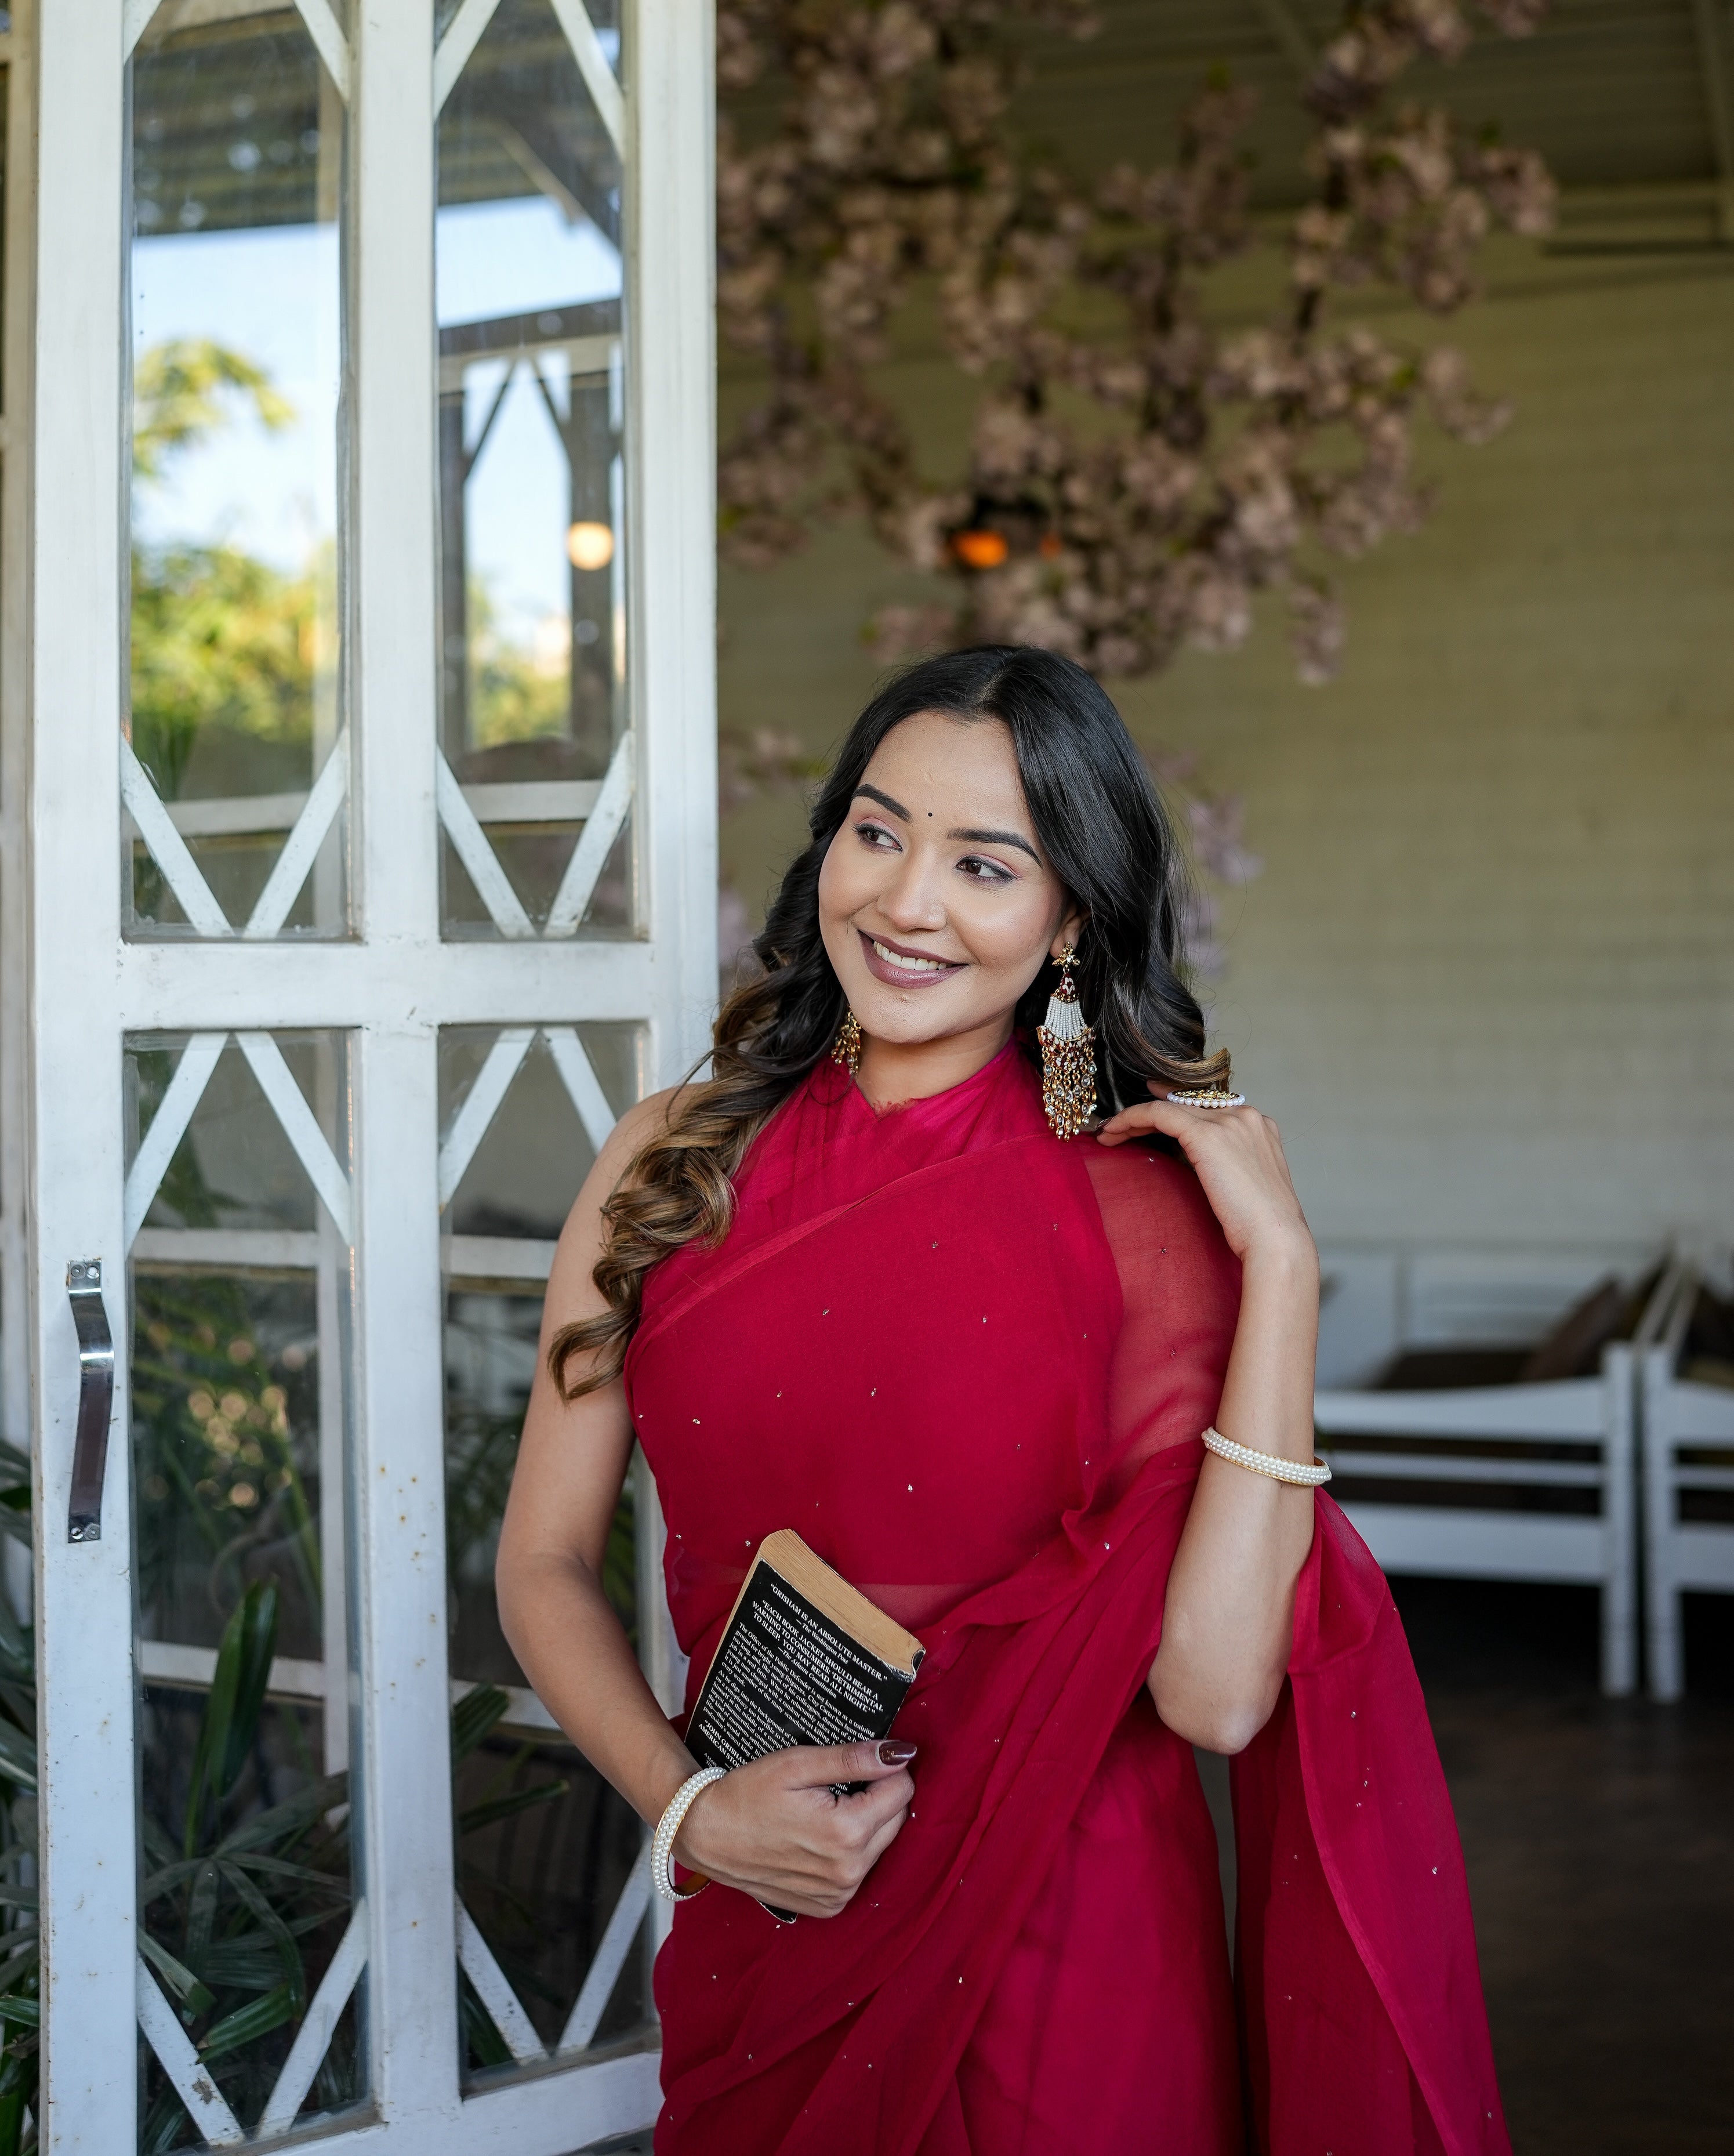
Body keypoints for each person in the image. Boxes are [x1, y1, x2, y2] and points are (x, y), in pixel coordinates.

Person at [497, 645, 1510, 2155]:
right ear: (830, 838)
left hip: (1072, 1974)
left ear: (1069, 917)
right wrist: (693, 1814)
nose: (907, 903)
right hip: (778, 1915)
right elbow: (542, 1562)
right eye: (879, 830)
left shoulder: (1144, 1213)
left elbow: (1219, 1695)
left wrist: (1282, 1266)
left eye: (985, 864)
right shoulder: (669, 1159)